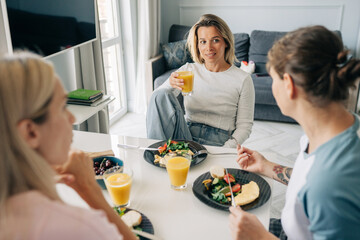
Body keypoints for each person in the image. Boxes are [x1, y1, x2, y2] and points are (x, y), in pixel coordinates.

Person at [229, 25, 360, 239]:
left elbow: (319, 186)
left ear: (288, 84)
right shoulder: (332, 130)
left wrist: (261, 237)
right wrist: (266, 167)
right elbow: (307, 181)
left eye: (273, 79)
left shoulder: (332, 181)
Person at [0, 52, 137, 240]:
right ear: (30, 132)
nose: (72, 118)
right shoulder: (77, 227)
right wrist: (89, 188)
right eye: (62, 107)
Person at [147, 14, 255, 148]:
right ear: (197, 45)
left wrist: (228, 148)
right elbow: (157, 100)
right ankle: (157, 153)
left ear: (226, 42)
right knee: (160, 94)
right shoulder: (188, 70)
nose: (208, 48)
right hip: (185, 135)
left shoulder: (243, 79)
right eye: (203, 41)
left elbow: (245, 126)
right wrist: (169, 84)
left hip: (219, 142)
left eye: (215, 40)